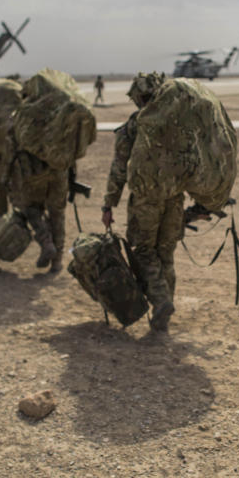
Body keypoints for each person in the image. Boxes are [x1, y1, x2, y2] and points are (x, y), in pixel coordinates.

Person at [101, 72, 182, 332]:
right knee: (165, 253)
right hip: (175, 199)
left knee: (144, 252)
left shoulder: (133, 126)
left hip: (145, 201)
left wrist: (108, 204)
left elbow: (118, 169)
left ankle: (161, 301)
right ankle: (164, 313)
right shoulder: (178, 124)